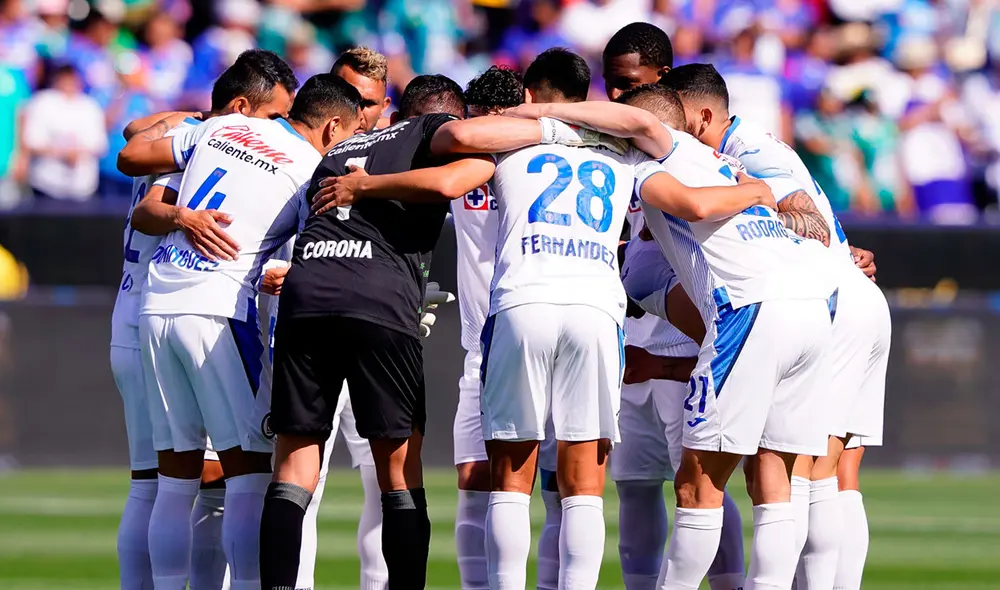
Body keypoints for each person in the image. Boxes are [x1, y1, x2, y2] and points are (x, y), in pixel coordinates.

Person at [119, 72, 364, 590]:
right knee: (249, 472)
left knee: (175, 478)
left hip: (158, 305)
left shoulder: (223, 127)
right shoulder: (310, 167)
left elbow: (135, 147)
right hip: (219, 311)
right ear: (332, 126)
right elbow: (324, 252)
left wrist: (183, 210)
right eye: (348, 136)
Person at [663, 63, 891, 590]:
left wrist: (754, 202)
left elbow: (804, 218)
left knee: (787, 475)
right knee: (829, 474)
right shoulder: (749, 147)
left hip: (827, 299)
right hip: (846, 297)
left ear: (701, 115)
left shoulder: (750, 151)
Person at [616, 81, 836, 590]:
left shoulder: (653, 166)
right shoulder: (724, 162)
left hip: (751, 308)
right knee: (775, 478)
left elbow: (691, 207)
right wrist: (757, 190)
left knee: (698, 484)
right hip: (809, 307)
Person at [601, 24, 747, 590]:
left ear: (661, 85)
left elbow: (765, 209)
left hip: (683, 354)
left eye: (627, 85)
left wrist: (835, 246)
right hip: (630, 351)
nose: (615, 99)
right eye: (610, 85)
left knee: (703, 487)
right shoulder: (611, 148)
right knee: (635, 487)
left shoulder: (701, 150)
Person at [256, 45, 398, 590]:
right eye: (348, 96)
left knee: (382, 481)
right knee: (298, 482)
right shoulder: (300, 155)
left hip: (372, 330)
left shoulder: (398, 155)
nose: (358, 113)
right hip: (304, 328)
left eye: (368, 102)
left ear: (383, 107)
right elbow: (263, 235)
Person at [21, 63, 107, 201]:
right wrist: (62, 152)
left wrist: (77, 153)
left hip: (81, 187)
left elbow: (99, 145)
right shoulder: (42, 102)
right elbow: (31, 141)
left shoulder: (90, 106)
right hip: (47, 184)